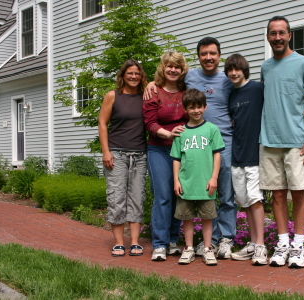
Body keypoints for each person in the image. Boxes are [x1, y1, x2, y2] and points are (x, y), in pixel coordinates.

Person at [145, 37, 236, 259]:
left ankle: (220, 240)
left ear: (219, 55)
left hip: (212, 144)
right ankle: (170, 242)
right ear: (198, 57)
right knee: (173, 195)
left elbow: (245, 92)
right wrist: (150, 83)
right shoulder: (177, 82)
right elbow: (150, 117)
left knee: (219, 194)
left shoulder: (220, 80)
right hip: (176, 147)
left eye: (213, 53)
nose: (208, 57)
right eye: (204, 53)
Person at [260, 16, 304, 268]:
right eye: (273, 33)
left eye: (281, 33)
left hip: (297, 141)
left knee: (299, 193)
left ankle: (298, 245)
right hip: (269, 140)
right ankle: (283, 243)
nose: (277, 38)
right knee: (276, 195)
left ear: (289, 36)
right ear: (268, 37)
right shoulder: (265, 67)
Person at [98, 59, 148, 257]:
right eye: (130, 73)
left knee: (137, 197)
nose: (134, 76)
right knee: (117, 197)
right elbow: (102, 123)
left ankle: (135, 242)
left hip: (140, 154)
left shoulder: (146, 97)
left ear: (141, 76)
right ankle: (119, 242)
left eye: (137, 73)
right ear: (123, 76)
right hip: (116, 154)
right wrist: (106, 151)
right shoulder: (113, 96)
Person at [170, 89, 225, 266]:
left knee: (207, 217)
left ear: (205, 107)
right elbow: (177, 159)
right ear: (185, 109)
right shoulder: (180, 132)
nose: (196, 110)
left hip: (205, 183)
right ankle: (188, 249)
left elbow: (217, 154)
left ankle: (208, 249)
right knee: (187, 218)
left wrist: (214, 177)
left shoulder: (211, 129)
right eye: (192, 107)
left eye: (199, 107)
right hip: (186, 184)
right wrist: (176, 180)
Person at [143, 52, 189, 261]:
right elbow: (150, 123)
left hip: (183, 151)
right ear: (163, 68)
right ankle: (159, 244)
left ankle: (172, 240)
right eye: (169, 66)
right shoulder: (154, 92)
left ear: (182, 69)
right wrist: (168, 134)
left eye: (177, 67)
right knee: (163, 196)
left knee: (179, 194)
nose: (173, 70)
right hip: (159, 149)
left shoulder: (187, 92)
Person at [224, 54, 268, 265]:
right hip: (237, 155)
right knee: (246, 203)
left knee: (256, 200)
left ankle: (261, 246)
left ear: (244, 70)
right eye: (230, 70)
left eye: (237, 69)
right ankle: (252, 243)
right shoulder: (231, 95)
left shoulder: (259, 89)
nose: (234, 73)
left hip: (256, 154)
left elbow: (282, 101)